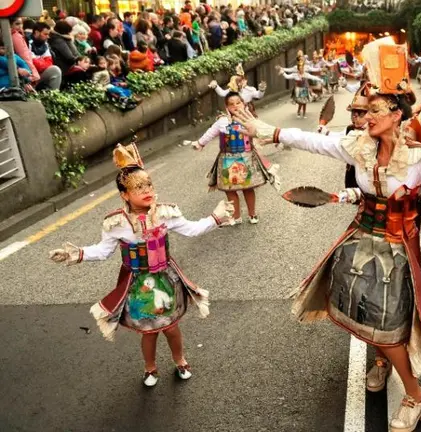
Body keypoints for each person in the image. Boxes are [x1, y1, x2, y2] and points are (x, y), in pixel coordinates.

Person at [230, 37, 421, 432]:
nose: (365, 117)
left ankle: (415, 395)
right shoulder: (359, 147)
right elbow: (314, 141)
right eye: (364, 111)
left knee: (388, 323)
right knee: (361, 311)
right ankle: (380, 362)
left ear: (396, 114)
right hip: (360, 239)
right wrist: (266, 130)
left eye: (373, 110)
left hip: (397, 247)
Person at [48, 143, 233, 387]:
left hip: (166, 279)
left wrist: (215, 218)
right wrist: (76, 254)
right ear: (124, 194)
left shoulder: (166, 213)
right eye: (138, 187)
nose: (147, 190)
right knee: (149, 330)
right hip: (137, 285)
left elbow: (191, 229)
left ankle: (180, 360)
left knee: (170, 327)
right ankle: (150, 368)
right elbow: (103, 251)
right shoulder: (116, 223)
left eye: (149, 185)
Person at [189, 92, 279, 225]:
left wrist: (276, 138)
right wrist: (200, 143)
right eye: (231, 104)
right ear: (227, 107)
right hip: (228, 159)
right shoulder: (222, 121)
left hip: (246, 157)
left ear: (244, 103)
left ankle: (252, 214)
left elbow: (263, 131)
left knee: (248, 188)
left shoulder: (250, 120)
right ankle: (236, 217)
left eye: (238, 102)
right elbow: (210, 133)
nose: (235, 106)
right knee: (230, 190)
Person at [278, 52, 325, 119]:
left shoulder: (305, 73)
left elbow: (313, 77)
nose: (301, 69)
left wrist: (320, 80)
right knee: (300, 102)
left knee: (305, 102)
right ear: (298, 68)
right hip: (298, 89)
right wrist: (283, 72)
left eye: (302, 68)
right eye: (300, 68)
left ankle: (304, 114)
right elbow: (287, 76)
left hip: (304, 89)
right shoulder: (295, 74)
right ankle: (299, 111)